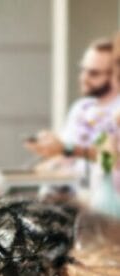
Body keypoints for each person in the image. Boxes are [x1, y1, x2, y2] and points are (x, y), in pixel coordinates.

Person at [25, 38, 120, 174]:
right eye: (82, 70)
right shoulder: (81, 107)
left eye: (93, 73)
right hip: (76, 191)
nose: (83, 78)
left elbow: (111, 158)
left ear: (115, 74)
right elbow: (63, 158)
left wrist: (67, 149)